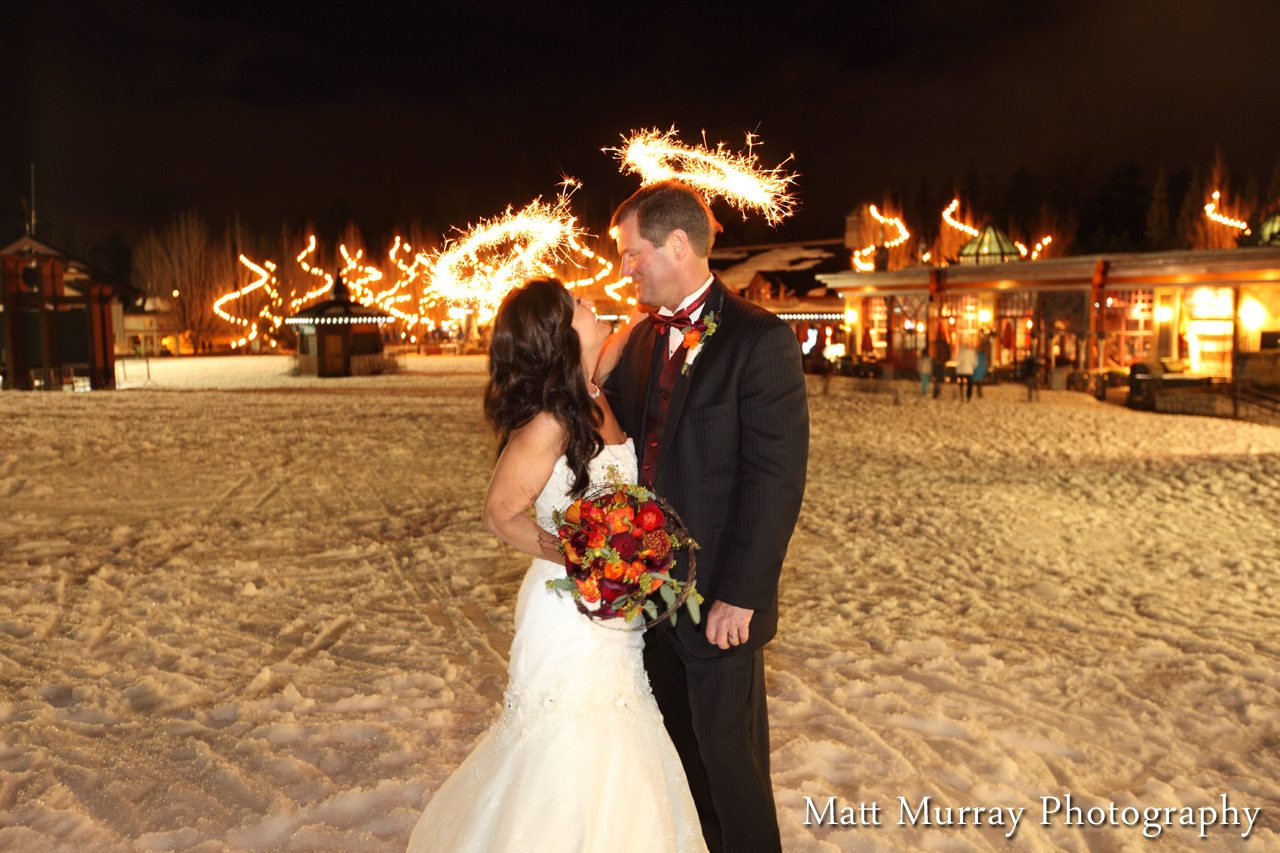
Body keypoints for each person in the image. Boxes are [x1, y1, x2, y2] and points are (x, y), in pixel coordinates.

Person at [406, 278, 705, 853]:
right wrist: (576, 552)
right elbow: (500, 514)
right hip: (567, 610)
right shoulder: (549, 421)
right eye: (578, 307)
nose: (592, 305)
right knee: (567, 741)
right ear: (561, 337)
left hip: (614, 613)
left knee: (621, 730)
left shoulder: (594, 391)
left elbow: (634, 330)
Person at [603, 181, 809, 853]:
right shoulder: (638, 343)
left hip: (722, 603)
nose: (625, 267)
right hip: (650, 604)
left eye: (633, 253)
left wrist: (740, 596)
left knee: (732, 766)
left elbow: (773, 479)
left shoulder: (760, 339)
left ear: (678, 244)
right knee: (680, 763)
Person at [931, 331, 951, 399]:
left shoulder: (935, 344)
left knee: (936, 378)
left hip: (936, 363)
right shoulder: (944, 345)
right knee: (939, 378)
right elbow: (948, 354)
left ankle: (936, 391)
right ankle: (937, 390)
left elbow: (932, 354)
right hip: (941, 363)